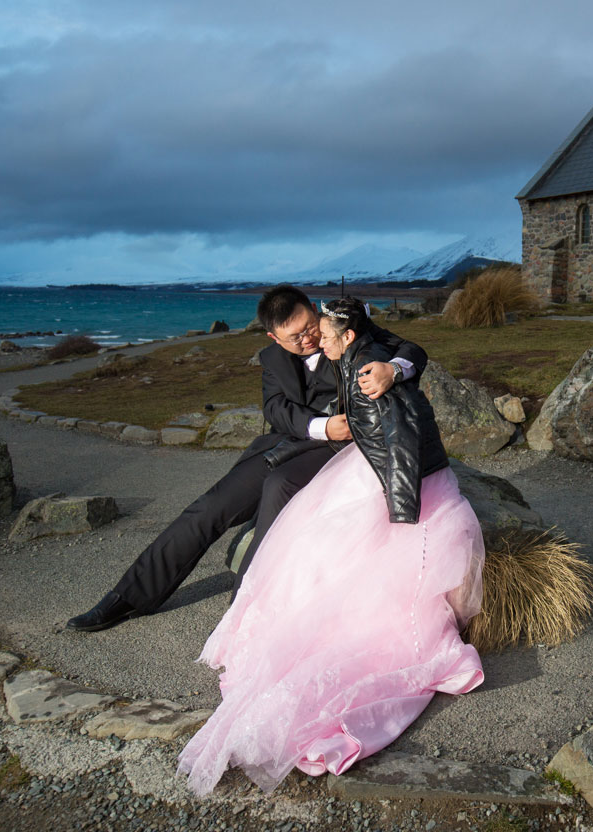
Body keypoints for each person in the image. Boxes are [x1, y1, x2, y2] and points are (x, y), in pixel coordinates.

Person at [177, 298, 484, 794]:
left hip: (386, 476)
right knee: (303, 538)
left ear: (344, 336)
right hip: (344, 455)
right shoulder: (327, 341)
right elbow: (283, 408)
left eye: (321, 332)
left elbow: (404, 435)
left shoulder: (368, 367)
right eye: (307, 332)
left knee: (356, 568)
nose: (315, 339)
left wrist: (400, 509)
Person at [65, 284, 429, 631]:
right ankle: (127, 597)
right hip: (290, 443)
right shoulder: (272, 358)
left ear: (315, 311)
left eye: (308, 328)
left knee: (277, 488)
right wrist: (320, 426)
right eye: (294, 337)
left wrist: (391, 369)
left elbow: (412, 350)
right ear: (273, 338)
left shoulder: (344, 328)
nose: (308, 340)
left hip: (340, 451)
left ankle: (243, 608)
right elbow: (275, 408)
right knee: (208, 508)